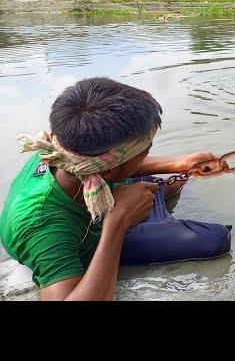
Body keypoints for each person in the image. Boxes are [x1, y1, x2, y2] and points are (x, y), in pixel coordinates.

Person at [0, 77, 219, 301]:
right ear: (107, 172)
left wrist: (178, 164)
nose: (148, 152)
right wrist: (117, 222)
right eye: (146, 148)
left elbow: (113, 165)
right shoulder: (45, 226)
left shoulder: (66, 151)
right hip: (63, 235)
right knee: (213, 240)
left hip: (92, 193)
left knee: (171, 186)